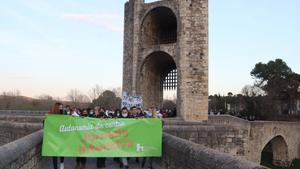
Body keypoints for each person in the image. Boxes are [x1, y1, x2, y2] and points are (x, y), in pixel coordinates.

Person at [48, 102, 65, 169]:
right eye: (60, 107)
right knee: (54, 152)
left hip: (61, 136)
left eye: (62, 107)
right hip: (54, 136)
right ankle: (55, 167)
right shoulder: (51, 114)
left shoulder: (63, 114)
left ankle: (62, 163)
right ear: (56, 107)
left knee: (62, 150)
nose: (61, 108)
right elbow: (45, 124)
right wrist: (45, 119)